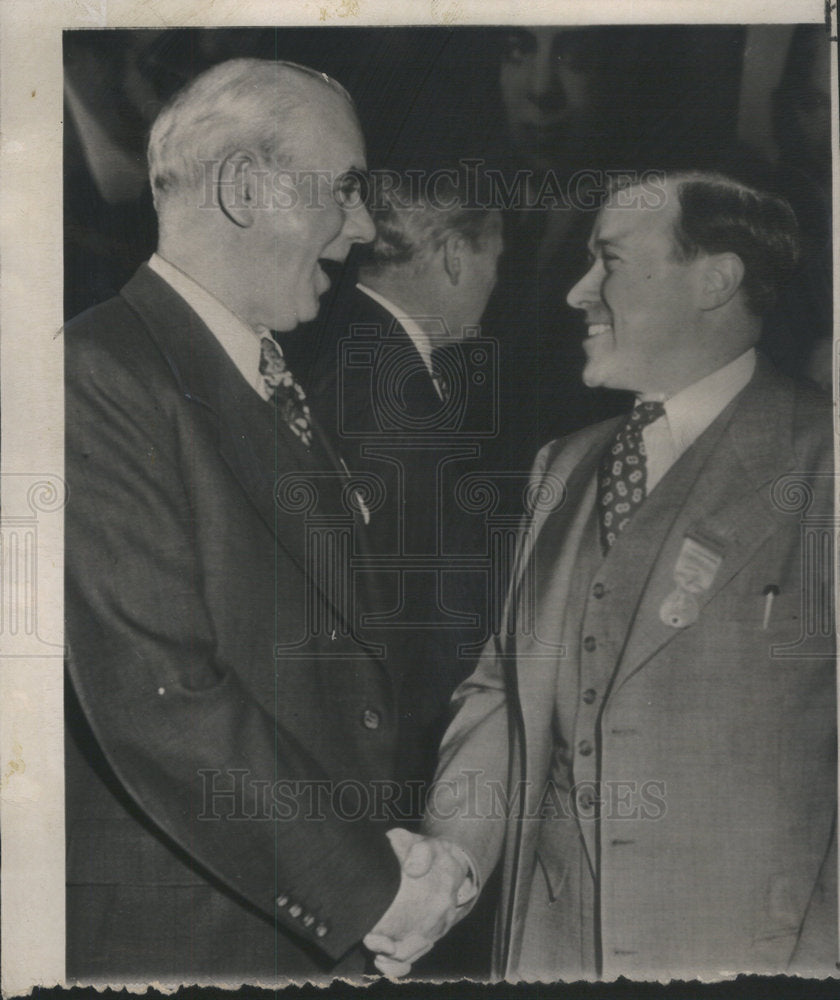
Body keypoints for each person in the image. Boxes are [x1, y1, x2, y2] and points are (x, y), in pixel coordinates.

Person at [365, 172, 837, 980]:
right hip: (549, 954)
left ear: (714, 279)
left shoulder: (821, 458)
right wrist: (449, 861)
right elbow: (502, 697)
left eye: (609, 261)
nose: (579, 291)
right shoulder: (564, 466)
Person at [64, 57, 468, 983]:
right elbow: (162, 698)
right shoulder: (99, 376)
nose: (364, 229)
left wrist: (385, 850)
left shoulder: (259, 376)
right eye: (346, 192)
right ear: (247, 191)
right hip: (185, 946)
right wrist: (372, 887)